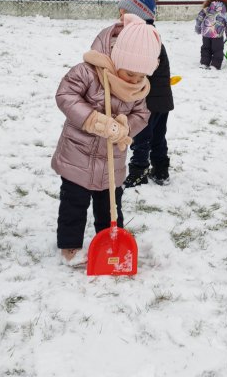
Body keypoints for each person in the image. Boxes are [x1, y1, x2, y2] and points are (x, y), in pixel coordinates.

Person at [52, 14, 161, 265]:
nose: (134, 80)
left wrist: (125, 126)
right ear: (117, 59)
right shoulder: (89, 72)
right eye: (130, 73)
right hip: (78, 155)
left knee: (110, 204)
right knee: (74, 203)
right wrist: (93, 120)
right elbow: (65, 95)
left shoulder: (138, 87)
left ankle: (110, 242)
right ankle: (70, 245)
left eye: (141, 76)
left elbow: (142, 114)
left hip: (113, 160)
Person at [98, 0, 175, 187]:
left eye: (125, 13)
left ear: (137, 16)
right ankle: (161, 170)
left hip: (148, 98)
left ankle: (139, 171)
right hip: (161, 98)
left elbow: (134, 69)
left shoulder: (141, 37)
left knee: (142, 136)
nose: (120, 16)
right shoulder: (151, 34)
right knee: (158, 136)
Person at [195, 0, 227, 70]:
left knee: (206, 48)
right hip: (217, 35)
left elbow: (200, 17)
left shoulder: (208, 8)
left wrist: (198, 26)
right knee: (218, 50)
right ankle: (215, 65)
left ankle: (204, 63)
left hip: (206, 33)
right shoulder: (224, 12)